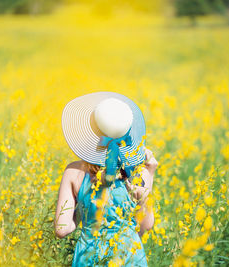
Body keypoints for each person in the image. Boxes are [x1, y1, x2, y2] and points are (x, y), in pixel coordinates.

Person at [55, 92, 158, 266]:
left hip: (89, 258)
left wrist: (82, 214)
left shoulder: (74, 172)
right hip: (129, 258)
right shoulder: (139, 174)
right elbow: (146, 225)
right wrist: (150, 173)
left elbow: (62, 229)